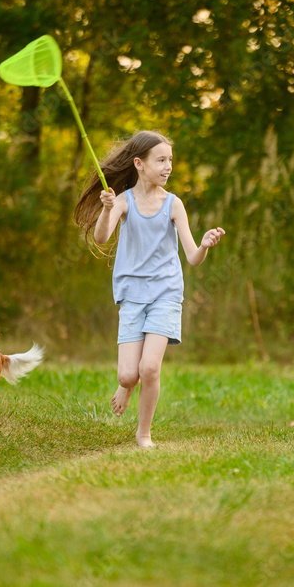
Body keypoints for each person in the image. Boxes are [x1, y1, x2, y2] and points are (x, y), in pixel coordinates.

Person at [74, 130, 225, 447]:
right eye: (161, 160)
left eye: (170, 160)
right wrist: (105, 208)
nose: (168, 166)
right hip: (132, 296)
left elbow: (193, 257)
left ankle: (144, 434)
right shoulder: (122, 200)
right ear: (139, 164)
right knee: (128, 375)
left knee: (149, 368)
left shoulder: (174, 204)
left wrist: (206, 245)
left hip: (166, 295)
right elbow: (102, 237)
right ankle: (125, 386)